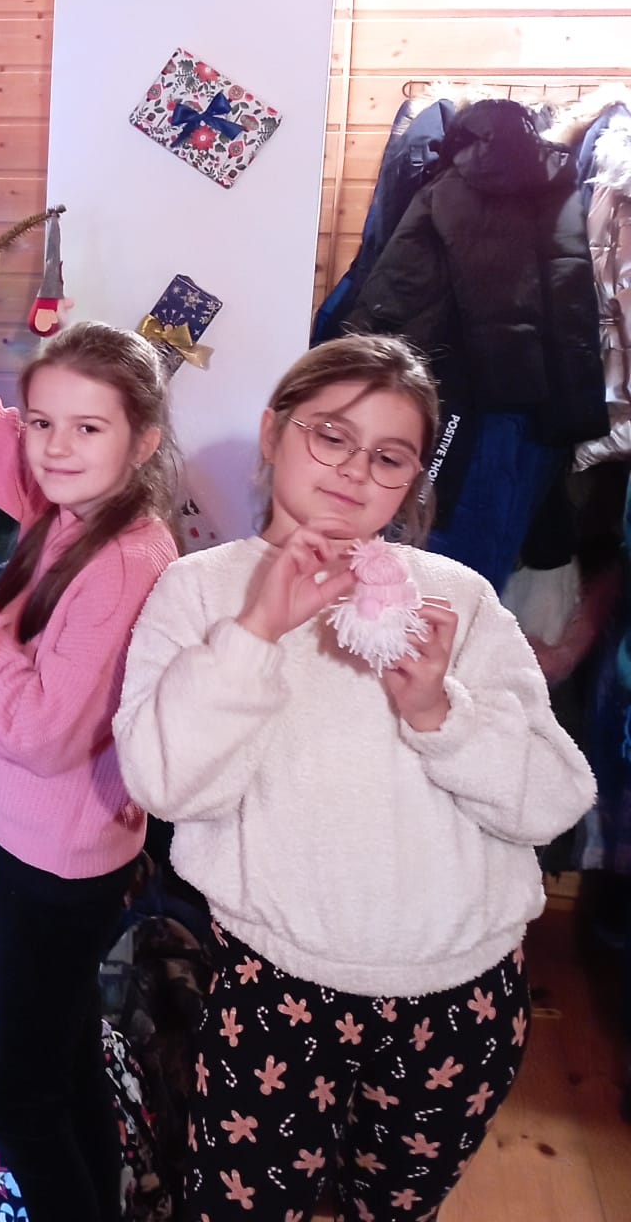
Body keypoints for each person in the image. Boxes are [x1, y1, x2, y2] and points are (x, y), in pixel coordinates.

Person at [114, 335, 597, 1222]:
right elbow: (166, 786)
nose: (353, 471)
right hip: (275, 990)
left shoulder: (457, 600)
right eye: (330, 435)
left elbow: (555, 800)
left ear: (413, 479)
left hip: (459, 998)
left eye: (389, 456)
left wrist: (437, 710)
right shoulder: (198, 592)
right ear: (274, 432)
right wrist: (255, 635)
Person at [0, 324, 178, 1222]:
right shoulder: (77, 510)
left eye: (88, 428)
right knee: (68, 1066)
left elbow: (37, 734)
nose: (56, 448)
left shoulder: (123, 561)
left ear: (142, 441)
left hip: (61, 868)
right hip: (48, 848)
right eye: (43, 422)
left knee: (25, 1098)